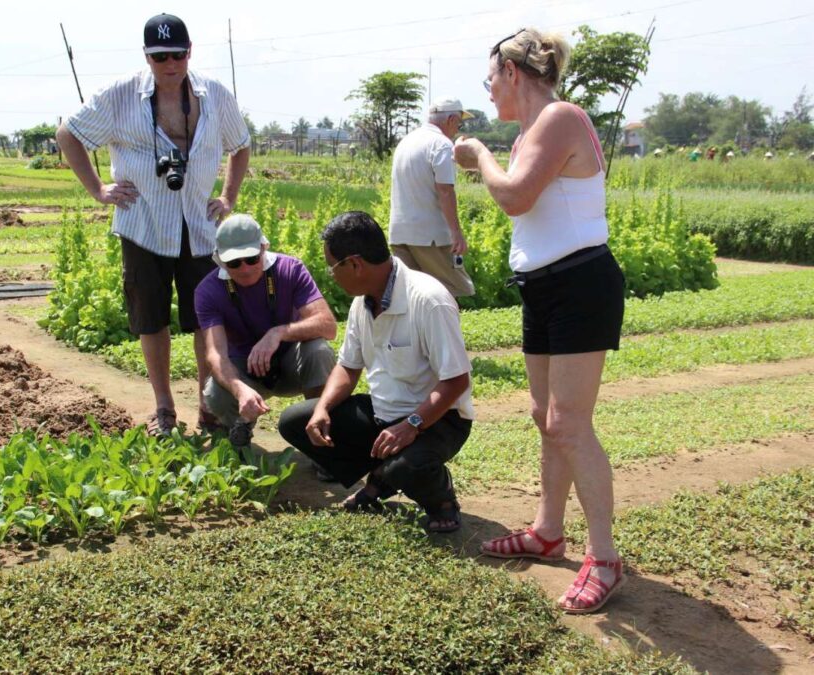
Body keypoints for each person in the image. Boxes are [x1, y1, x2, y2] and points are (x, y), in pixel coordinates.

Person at [454, 28, 626, 613]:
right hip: (545, 286)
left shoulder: (559, 118)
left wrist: (477, 155)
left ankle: (603, 557)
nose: (490, 91)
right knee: (544, 416)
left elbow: (517, 197)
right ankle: (548, 531)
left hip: (581, 283)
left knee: (569, 421)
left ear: (511, 71)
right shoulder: (531, 132)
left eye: (490, 80)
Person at [56, 13, 250, 436]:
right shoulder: (120, 95)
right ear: (147, 57)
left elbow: (241, 144)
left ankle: (209, 405)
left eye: (177, 54)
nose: (170, 64)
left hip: (199, 227)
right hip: (143, 225)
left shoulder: (214, 95)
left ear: (190, 52)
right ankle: (164, 408)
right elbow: (68, 134)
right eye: (160, 56)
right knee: (151, 318)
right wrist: (98, 190)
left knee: (206, 320)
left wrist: (228, 197)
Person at [278, 211, 474, 533]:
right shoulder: (362, 303)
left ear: (354, 264)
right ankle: (383, 474)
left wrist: (411, 425)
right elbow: (348, 366)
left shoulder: (429, 300)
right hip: (384, 415)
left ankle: (440, 499)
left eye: (333, 266)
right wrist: (323, 408)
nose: (331, 276)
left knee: (409, 467)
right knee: (297, 422)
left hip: (438, 419)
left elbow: (455, 381)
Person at [195, 214, 337, 451]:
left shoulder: (290, 269)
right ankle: (239, 430)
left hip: (292, 363)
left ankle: (318, 435)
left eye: (252, 258)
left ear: (264, 247)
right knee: (215, 391)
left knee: (319, 351)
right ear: (219, 260)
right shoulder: (207, 291)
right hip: (245, 370)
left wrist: (277, 333)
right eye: (234, 263)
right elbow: (215, 355)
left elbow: (327, 325)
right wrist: (240, 390)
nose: (245, 268)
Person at [388, 98, 476, 298]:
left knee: (412, 296)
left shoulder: (406, 142)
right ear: (451, 119)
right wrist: (456, 232)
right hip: (431, 237)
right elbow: (445, 190)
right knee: (452, 290)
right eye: (459, 123)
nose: (457, 129)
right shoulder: (441, 144)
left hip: (400, 234)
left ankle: (418, 331)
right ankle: (446, 330)